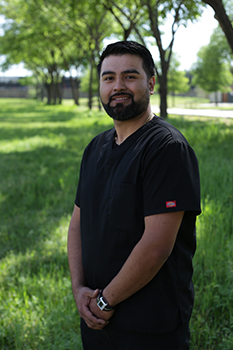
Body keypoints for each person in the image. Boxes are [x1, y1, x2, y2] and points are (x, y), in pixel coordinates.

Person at [67, 41, 201, 350]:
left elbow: (156, 246)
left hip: (150, 325)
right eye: (108, 78)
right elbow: (77, 225)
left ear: (151, 83)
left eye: (130, 76)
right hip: (96, 319)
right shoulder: (94, 148)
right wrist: (79, 290)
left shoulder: (167, 149)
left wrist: (104, 300)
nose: (118, 86)